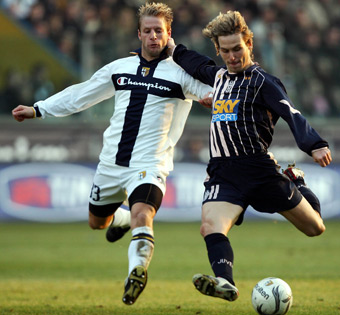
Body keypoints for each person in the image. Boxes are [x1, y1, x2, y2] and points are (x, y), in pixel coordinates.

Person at [12, 2, 212, 305]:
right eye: (148, 31)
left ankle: (136, 271)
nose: (153, 36)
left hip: (149, 165)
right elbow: (81, 94)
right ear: (138, 34)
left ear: (169, 33)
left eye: (159, 31)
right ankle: (120, 220)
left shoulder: (181, 75)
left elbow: (211, 90)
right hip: (111, 164)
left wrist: (212, 98)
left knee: (143, 214)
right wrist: (38, 109)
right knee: (97, 222)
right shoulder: (120, 69)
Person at [167, 10, 332, 302]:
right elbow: (195, 63)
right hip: (224, 172)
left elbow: (290, 113)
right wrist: (171, 47)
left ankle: (298, 183)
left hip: (259, 169)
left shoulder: (263, 82)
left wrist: (315, 143)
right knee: (210, 226)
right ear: (219, 50)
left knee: (315, 227)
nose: (232, 56)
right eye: (226, 51)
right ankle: (225, 282)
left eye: (237, 49)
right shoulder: (218, 77)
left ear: (249, 45)